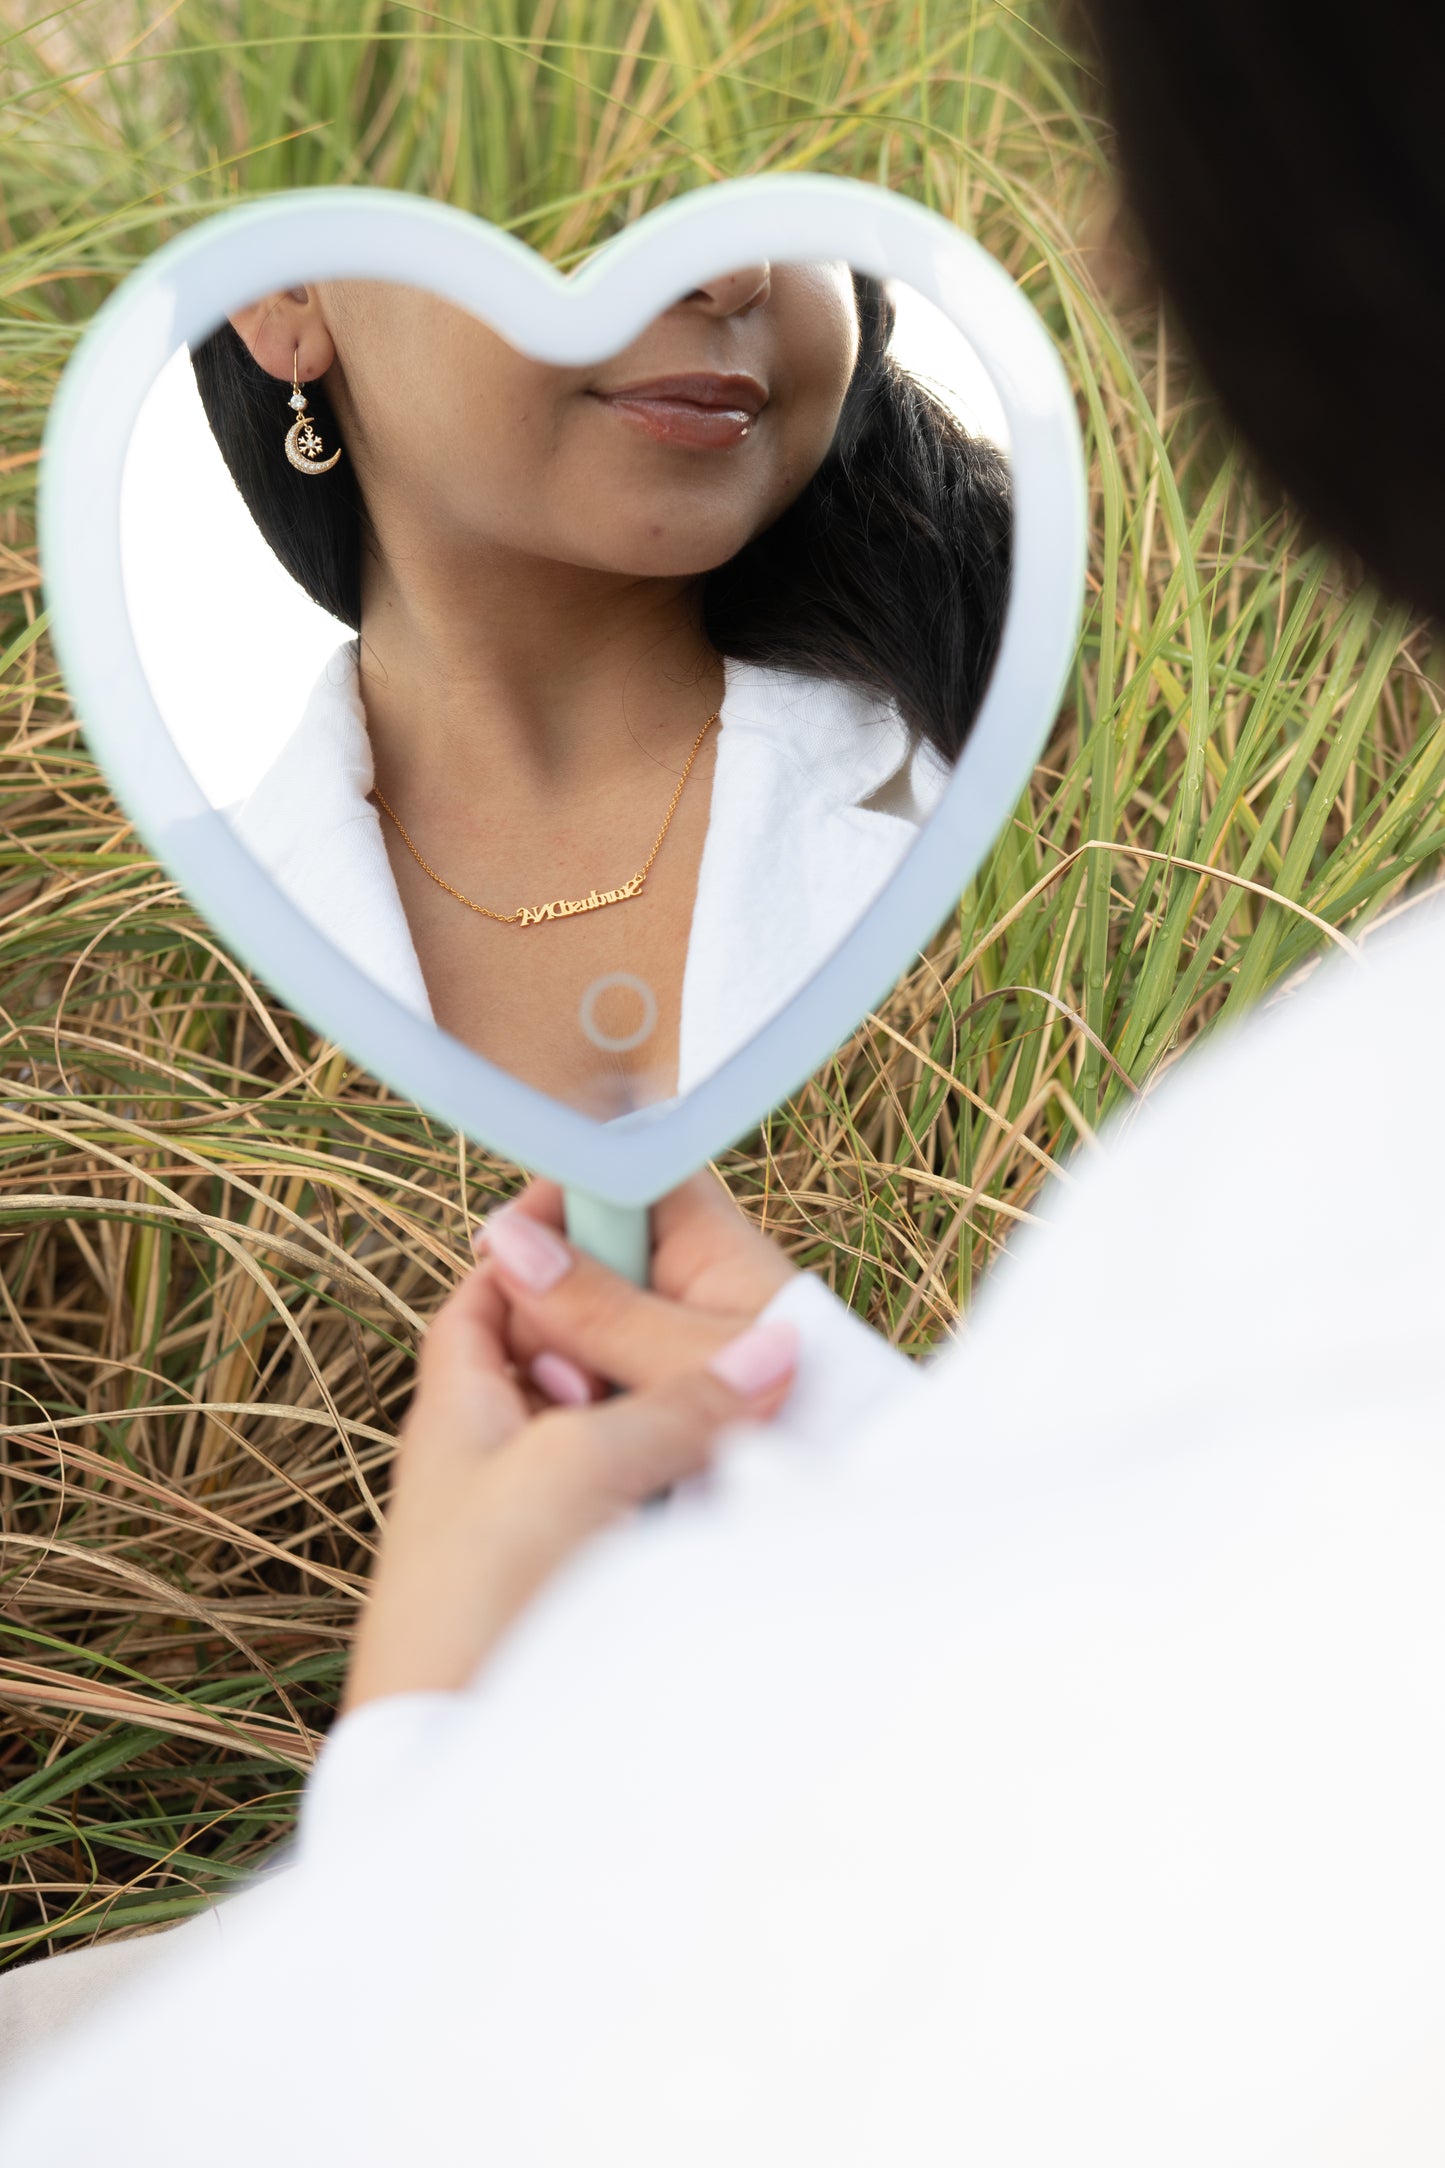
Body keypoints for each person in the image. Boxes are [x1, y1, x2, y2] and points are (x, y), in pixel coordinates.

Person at [5, 8, 1445, 2153]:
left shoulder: (1098, 816)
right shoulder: (99, 937)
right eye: (544, 197)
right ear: (282, 297)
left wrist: (422, 1755)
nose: (717, 275)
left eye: (779, 206)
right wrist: (853, 1456)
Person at [189, 266, 1011, 1112]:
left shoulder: (1063, 778)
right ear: (286, 293)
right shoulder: (131, 975)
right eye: (603, 194)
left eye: (794, 184)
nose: (734, 272)